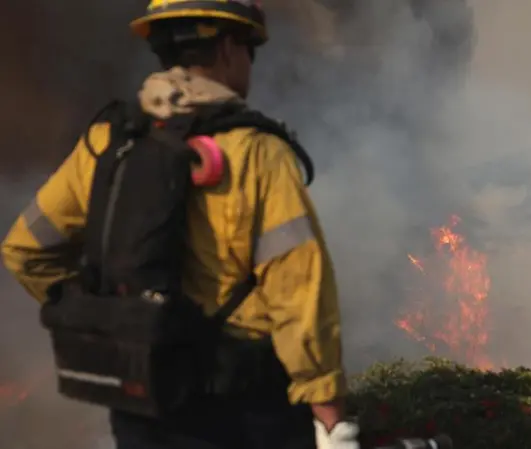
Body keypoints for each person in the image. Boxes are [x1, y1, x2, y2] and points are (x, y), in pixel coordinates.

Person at [0, 1, 360, 448]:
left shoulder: (108, 141)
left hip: (142, 397)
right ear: (229, 47)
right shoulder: (255, 153)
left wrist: (109, 318)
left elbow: (25, 249)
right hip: (243, 406)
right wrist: (329, 418)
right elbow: (299, 290)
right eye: (251, 48)